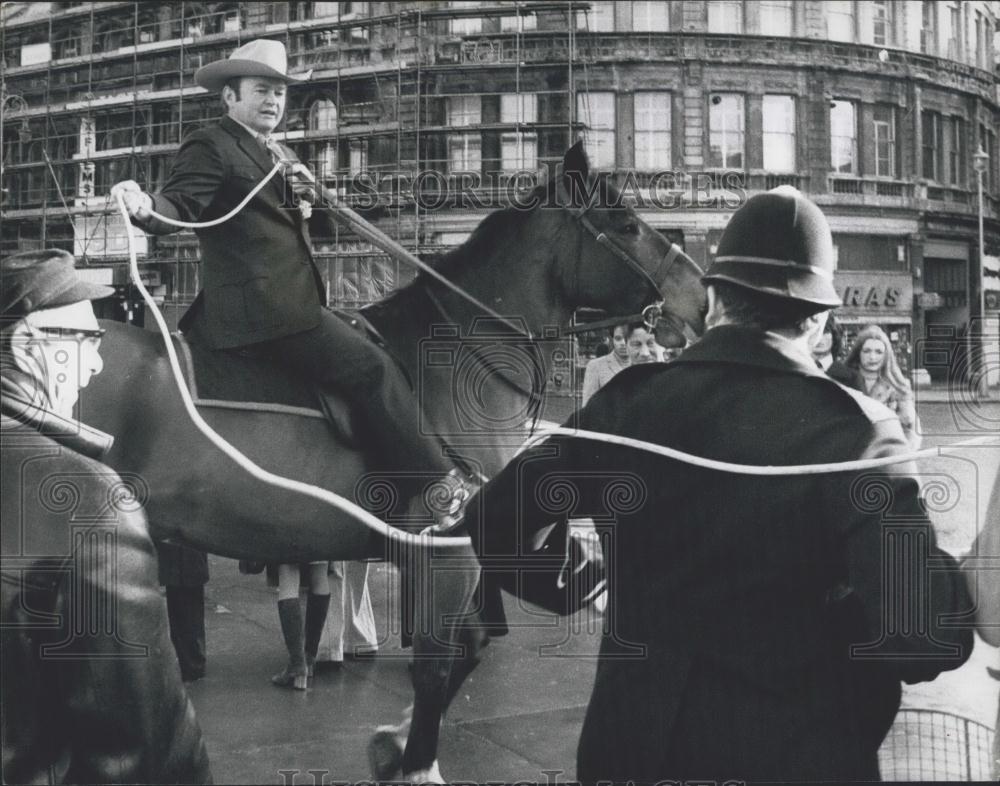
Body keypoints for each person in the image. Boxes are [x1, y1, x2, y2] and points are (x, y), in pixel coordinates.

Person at [468, 188, 973, 782]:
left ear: (714, 298)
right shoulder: (859, 434)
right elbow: (918, 640)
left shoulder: (627, 404)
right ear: (816, 318)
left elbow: (491, 520)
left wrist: (582, 577)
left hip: (630, 751)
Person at [110, 39, 464, 517]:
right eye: (261, 90)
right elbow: (182, 204)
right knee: (373, 369)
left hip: (288, 302)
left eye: (279, 92)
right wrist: (147, 207)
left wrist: (309, 203)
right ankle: (439, 489)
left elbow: (302, 226)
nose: (274, 100)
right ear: (229, 97)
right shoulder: (211, 143)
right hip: (265, 310)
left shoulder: (276, 152)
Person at [1, 249, 212, 784]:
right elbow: (147, 755)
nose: (97, 364)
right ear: (27, 347)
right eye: (86, 341)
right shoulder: (88, 504)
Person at [845, 324, 920, 448]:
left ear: (886, 355)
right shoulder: (844, 381)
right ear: (858, 353)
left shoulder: (899, 387)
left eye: (878, 352)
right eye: (867, 351)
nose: (872, 357)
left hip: (884, 455)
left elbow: (910, 430)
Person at [157, 541, 209, 683]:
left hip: (185, 555)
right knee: (182, 607)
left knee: (184, 608)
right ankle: (190, 661)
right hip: (182, 555)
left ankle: (191, 664)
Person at [581, 323, 629, 405]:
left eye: (628, 338)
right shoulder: (595, 366)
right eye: (618, 339)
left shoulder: (643, 365)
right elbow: (587, 406)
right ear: (612, 340)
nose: (623, 343)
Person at [812, 313, 862, 390]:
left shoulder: (853, 378)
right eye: (814, 332)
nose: (819, 338)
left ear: (835, 335)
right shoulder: (792, 372)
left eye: (825, 332)